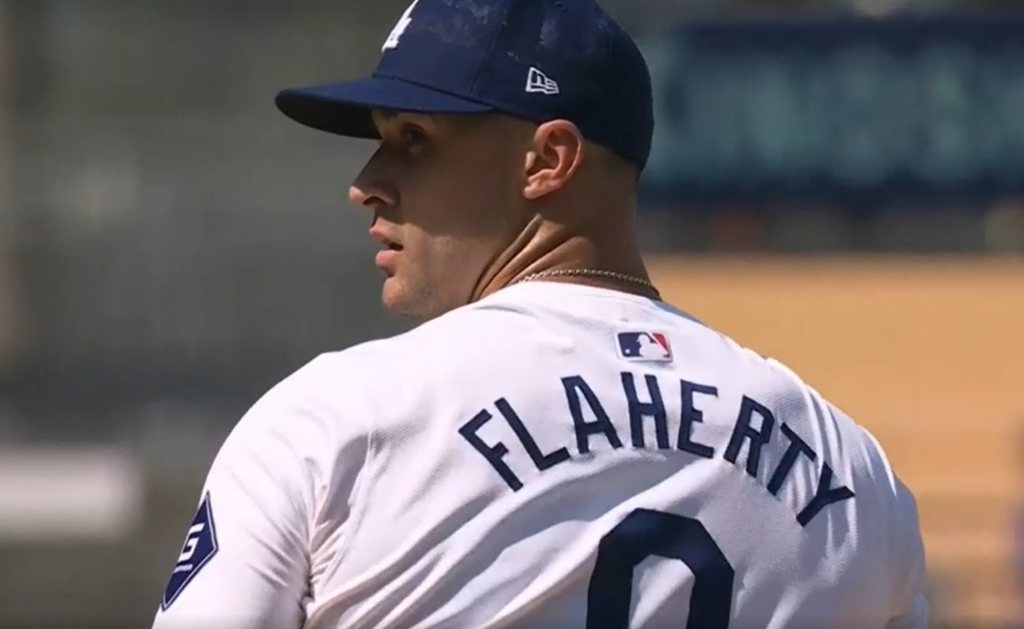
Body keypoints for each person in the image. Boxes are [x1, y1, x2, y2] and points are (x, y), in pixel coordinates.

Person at [150, 0, 928, 627]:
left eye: (413, 139)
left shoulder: (338, 423)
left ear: (549, 159)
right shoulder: (856, 476)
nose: (368, 182)